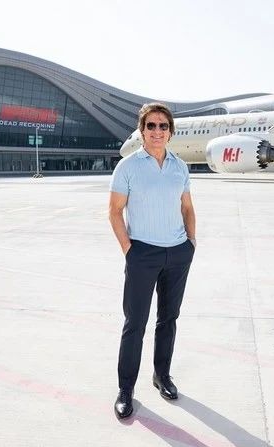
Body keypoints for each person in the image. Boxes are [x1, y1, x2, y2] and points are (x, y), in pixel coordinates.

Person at [108, 102, 196, 420]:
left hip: (177, 253)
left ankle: (162, 376)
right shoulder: (128, 167)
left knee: (168, 320)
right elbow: (115, 211)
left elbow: (187, 207)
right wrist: (129, 250)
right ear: (142, 131)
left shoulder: (179, 167)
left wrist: (191, 242)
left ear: (170, 132)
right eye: (151, 126)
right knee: (134, 325)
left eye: (163, 126)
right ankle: (125, 391)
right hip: (142, 253)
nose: (157, 131)